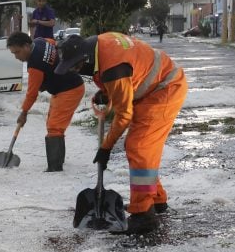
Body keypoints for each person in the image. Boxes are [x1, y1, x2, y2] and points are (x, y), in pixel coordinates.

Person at [54, 32, 188, 234]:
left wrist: (106, 147)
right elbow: (130, 68)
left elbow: (124, 115)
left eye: (76, 66)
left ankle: (144, 215)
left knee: (140, 147)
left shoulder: (114, 69)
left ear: (86, 58)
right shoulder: (100, 42)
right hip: (151, 88)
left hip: (164, 89)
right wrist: (109, 92)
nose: (75, 70)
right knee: (140, 150)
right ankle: (156, 200)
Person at [6, 32, 85, 171]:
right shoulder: (41, 41)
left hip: (69, 90)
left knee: (54, 127)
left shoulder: (34, 65)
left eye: (17, 52)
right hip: (64, 87)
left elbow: (32, 93)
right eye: (13, 54)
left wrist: (24, 112)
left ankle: (55, 168)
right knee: (53, 124)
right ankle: (58, 160)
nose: (16, 57)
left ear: (26, 46)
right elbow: (55, 46)